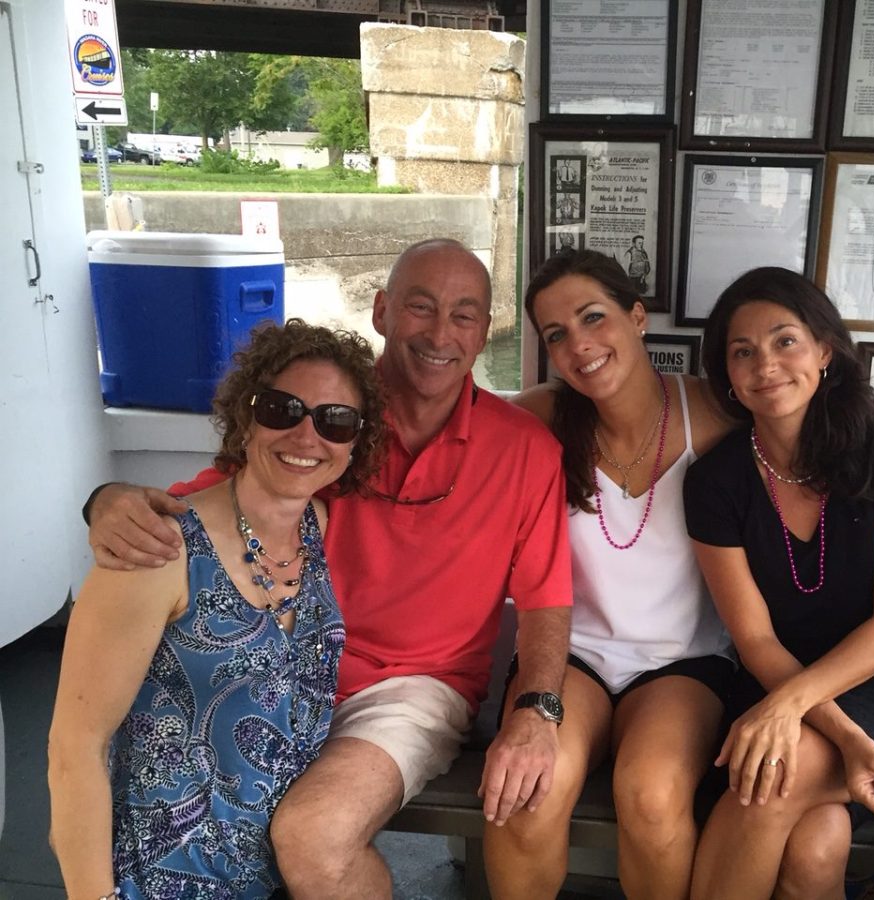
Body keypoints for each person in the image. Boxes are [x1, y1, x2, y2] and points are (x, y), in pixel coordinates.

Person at [82, 239, 574, 899]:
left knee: (312, 836)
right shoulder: (328, 422)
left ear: (486, 331)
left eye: (464, 314)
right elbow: (219, 499)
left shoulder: (525, 450)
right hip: (284, 667)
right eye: (419, 307)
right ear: (381, 312)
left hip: (411, 691)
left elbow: (545, 600)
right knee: (159, 786)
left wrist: (536, 710)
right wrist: (106, 502)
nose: (439, 332)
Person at [485, 251, 874, 900]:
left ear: (638, 316)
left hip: (743, 674)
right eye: (556, 334)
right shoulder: (553, 421)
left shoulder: (729, 416)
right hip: (625, 663)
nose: (581, 345)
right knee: (528, 793)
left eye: (594, 317)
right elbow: (452, 425)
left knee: (678, 794)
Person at [48, 320, 387, 899]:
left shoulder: (321, 529)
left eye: (335, 420)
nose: (307, 436)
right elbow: (75, 747)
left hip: (282, 872)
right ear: (246, 418)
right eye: (283, 409)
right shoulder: (158, 548)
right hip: (165, 881)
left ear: (355, 443)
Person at [683, 267, 874, 900]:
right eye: (742, 351)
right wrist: (834, 730)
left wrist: (789, 708)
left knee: (770, 777)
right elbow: (753, 637)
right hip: (779, 689)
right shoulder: (715, 484)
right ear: (726, 375)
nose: (766, 365)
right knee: (817, 845)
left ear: (825, 352)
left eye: (786, 341)